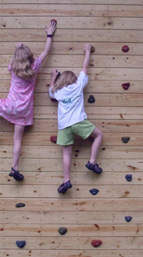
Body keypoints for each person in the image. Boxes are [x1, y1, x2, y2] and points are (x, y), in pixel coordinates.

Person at [0, 20, 57, 181]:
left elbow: (15, 60)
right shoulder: (35, 66)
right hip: (24, 111)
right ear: (30, 57)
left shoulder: (13, 67)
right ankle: (14, 167)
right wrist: (49, 34)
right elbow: (46, 50)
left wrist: (16, 48)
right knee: (17, 139)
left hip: (10, 106)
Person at [49, 44, 103, 194]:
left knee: (66, 153)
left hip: (64, 125)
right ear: (73, 79)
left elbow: (50, 91)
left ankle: (66, 180)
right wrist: (87, 52)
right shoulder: (78, 85)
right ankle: (92, 161)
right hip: (78, 122)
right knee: (99, 135)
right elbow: (85, 68)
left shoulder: (58, 92)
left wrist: (53, 76)